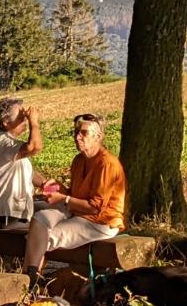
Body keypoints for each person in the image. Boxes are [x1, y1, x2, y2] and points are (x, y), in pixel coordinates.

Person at [22, 114, 125, 276]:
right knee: (39, 217)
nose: (77, 137)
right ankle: (31, 278)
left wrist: (63, 199)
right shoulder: (79, 160)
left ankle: (30, 280)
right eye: (76, 132)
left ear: (99, 136)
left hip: (100, 223)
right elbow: (74, 194)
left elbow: (95, 208)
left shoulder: (107, 164)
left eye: (83, 133)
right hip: (78, 213)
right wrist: (52, 187)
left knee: (42, 238)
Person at [0, 97, 41, 230]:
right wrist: (34, 123)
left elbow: (25, 171)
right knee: (46, 227)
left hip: (5, 214)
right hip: (4, 216)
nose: (24, 119)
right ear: (5, 123)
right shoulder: (2, 142)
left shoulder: (9, 144)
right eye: (20, 116)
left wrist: (47, 184)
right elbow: (34, 147)